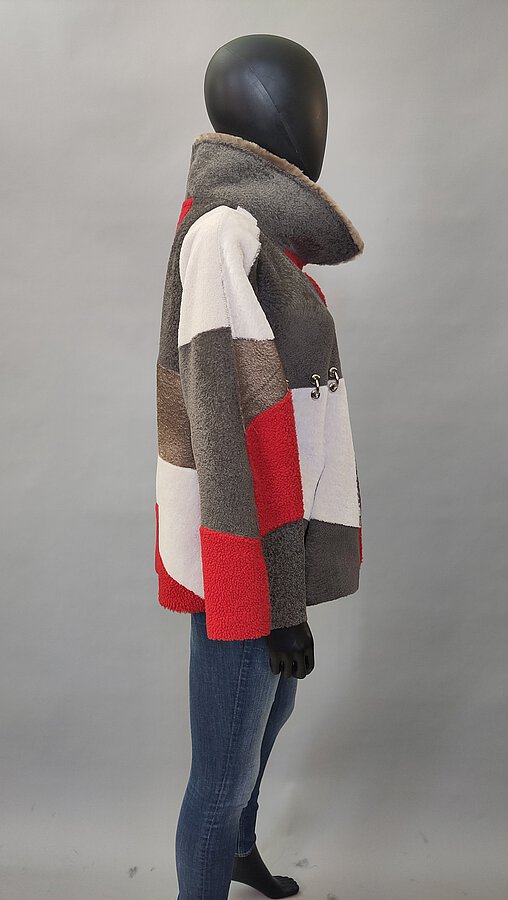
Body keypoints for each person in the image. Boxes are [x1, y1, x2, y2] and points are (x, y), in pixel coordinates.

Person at [154, 33, 364, 899]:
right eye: (303, 104)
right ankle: (211, 869)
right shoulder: (224, 234)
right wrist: (272, 603)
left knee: (270, 712)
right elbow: (233, 429)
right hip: (240, 551)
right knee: (221, 769)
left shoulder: (258, 236)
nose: (317, 123)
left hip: (270, 542)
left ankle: (240, 853)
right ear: (265, 115)